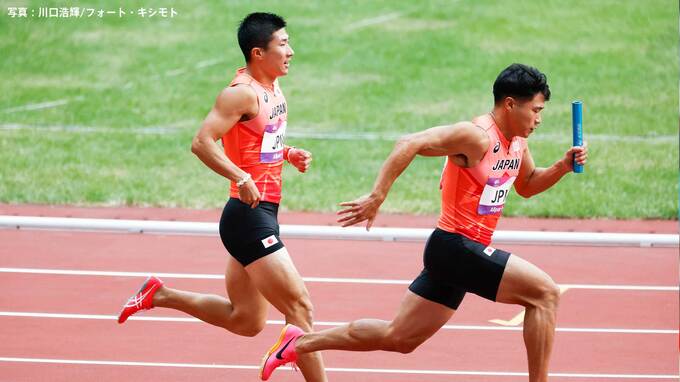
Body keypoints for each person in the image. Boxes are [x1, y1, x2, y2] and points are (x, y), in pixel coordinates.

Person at [260, 63, 588, 382]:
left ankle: (299, 343)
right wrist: (377, 196)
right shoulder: (476, 136)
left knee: (398, 338)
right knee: (544, 293)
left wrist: (562, 165)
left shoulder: (517, 143)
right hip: (455, 247)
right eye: (536, 110)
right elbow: (409, 142)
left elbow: (527, 185)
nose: (539, 119)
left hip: (461, 253)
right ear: (510, 104)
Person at [116, 12, 327, 382]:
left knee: (245, 320)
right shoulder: (240, 93)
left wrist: (287, 153)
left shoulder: (272, 88)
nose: (291, 51)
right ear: (258, 53)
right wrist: (240, 175)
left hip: (262, 211)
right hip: (248, 217)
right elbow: (202, 142)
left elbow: (255, 142)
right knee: (300, 309)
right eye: (283, 44)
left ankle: (160, 294)